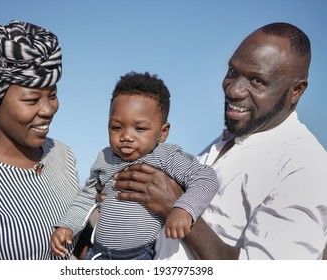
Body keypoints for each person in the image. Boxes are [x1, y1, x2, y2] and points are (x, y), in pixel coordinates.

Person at [112, 22, 327, 260]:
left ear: (296, 90)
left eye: (256, 81)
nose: (234, 90)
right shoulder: (228, 142)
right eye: (233, 72)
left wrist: (176, 205)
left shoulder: (305, 167)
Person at [0, 20, 87, 260]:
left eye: (52, 95)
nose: (48, 110)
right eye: (32, 100)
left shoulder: (62, 154)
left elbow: (80, 242)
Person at [50, 72, 219, 260]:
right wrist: (67, 225)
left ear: (163, 132)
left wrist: (184, 209)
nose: (126, 136)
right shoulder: (104, 157)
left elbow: (205, 177)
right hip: (97, 253)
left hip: (140, 256)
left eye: (140, 129)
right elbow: (87, 196)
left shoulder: (166, 156)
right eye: (116, 127)